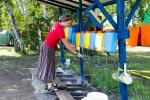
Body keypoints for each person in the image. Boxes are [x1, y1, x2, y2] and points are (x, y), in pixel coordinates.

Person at [35, 14, 83, 90]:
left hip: (46, 46)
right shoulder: (60, 29)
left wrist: (71, 45)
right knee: (49, 65)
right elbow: (66, 45)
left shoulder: (57, 24)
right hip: (48, 48)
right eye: (68, 23)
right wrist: (77, 53)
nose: (68, 25)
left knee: (50, 65)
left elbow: (64, 41)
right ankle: (49, 86)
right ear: (64, 22)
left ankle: (49, 83)